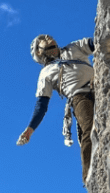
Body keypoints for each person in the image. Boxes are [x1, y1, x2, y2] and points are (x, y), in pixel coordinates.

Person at [16, 34, 95, 182]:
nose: (47, 36)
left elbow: (95, 43)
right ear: (39, 52)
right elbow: (41, 105)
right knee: (89, 129)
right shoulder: (45, 73)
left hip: (99, 83)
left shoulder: (73, 47)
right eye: (43, 39)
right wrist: (30, 129)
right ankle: (89, 176)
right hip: (79, 97)